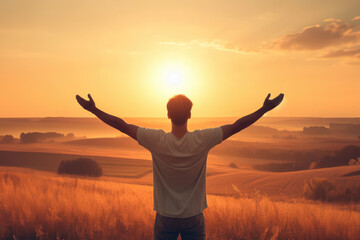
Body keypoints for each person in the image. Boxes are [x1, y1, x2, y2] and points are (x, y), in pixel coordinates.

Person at [76, 93, 284, 240]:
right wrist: (263, 110)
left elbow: (122, 125)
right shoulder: (202, 139)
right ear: (190, 115)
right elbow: (236, 126)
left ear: (168, 115)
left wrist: (94, 109)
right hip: (194, 217)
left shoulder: (156, 140)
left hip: (165, 217)